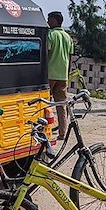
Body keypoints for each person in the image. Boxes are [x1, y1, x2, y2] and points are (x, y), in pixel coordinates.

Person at [46, 11, 73, 140]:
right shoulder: (68, 37)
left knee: (44, 103)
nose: (47, 21)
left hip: (50, 74)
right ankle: (62, 133)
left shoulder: (51, 34)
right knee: (61, 105)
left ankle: (44, 131)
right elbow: (70, 57)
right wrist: (67, 73)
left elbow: (47, 52)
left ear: (56, 21)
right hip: (63, 75)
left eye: (49, 19)